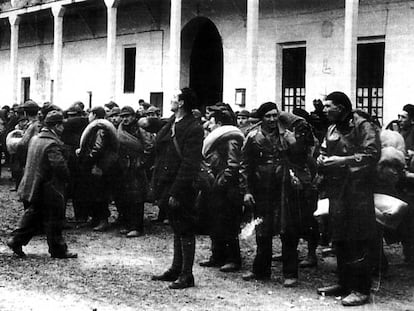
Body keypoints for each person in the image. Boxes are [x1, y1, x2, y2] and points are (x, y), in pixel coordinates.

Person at [240, 102, 315, 287]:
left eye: (275, 115)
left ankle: (290, 273)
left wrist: (294, 143)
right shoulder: (252, 136)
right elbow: (245, 166)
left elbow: (302, 157)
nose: (272, 119)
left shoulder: (286, 135)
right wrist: (246, 192)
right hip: (261, 186)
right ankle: (261, 270)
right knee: (262, 230)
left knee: (288, 229)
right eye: (268, 116)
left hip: (284, 186)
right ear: (262, 118)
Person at [316, 91, 380, 306]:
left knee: (359, 238)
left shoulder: (363, 125)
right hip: (337, 190)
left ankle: (361, 289)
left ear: (341, 108)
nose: (324, 110)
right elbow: (324, 149)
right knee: (340, 237)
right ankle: (344, 283)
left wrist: (343, 161)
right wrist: (321, 159)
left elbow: (372, 154)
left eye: (328, 106)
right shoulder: (332, 127)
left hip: (358, 190)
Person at [150, 88, 204, 289]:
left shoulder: (193, 127)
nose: (171, 101)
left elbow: (190, 164)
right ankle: (176, 268)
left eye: (174, 98)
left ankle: (186, 275)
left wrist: (176, 191)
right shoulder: (173, 122)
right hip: (167, 182)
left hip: (180, 186)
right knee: (176, 226)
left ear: (182, 103)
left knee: (185, 228)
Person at [7, 111, 77, 259]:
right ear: (56, 126)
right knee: (54, 218)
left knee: (34, 214)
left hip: (34, 184)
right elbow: (59, 166)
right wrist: (68, 178)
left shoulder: (35, 139)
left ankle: (16, 240)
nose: (63, 128)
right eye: (61, 125)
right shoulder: (51, 143)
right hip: (49, 187)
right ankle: (58, 250)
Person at [199, 110, 244, 272]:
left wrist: (221, 182)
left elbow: (233, 165)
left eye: (211, 122)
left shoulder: (231, 139)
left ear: (218, 124)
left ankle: (233, 259)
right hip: (216, 186)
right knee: (215, 221)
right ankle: (217, 256)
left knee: (228, 224)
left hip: (227, 189)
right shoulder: (218, 139)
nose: (209, 126)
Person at [77, 106, 119, 231]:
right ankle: (96, 219)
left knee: (99, 193)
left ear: (94, 115)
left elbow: (98, 148)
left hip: (99, 166)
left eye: (90, 114)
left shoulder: (100, 129)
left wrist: (87, 159)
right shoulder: (100, 128)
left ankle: (102, 220)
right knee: (94, 193)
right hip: (100, 165)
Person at [115, 106, 152, 237]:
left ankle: (137, 227)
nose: (125, 119)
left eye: (128, 116)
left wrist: (141, 163)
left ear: (133, 116)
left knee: (136, 198)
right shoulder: (120, 130)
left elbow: (149, 147)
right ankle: (127, 224)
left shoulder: (140, 129)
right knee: (125, 197)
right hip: (123, 166)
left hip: (136, 168)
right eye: (123, 116)